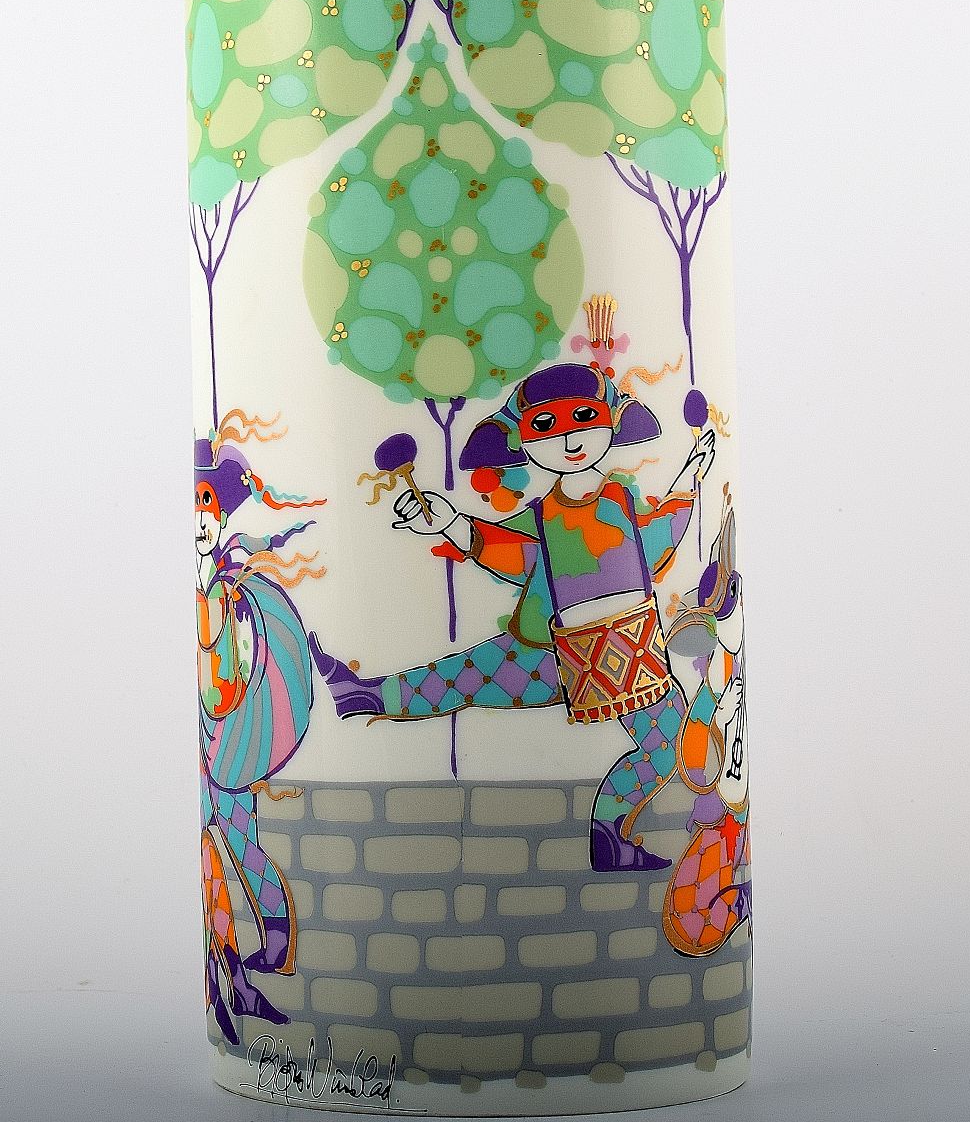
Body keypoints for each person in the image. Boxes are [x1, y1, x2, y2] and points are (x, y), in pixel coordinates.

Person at [311, 362, 715, 872]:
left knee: (667, 743)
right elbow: (513, 553)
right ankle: (367, 695)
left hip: (629, 652)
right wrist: (453, 525)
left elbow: (656, 540)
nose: (569, 438)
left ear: (611, 421)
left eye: (584, 418)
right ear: (524, 441)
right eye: (546, 426)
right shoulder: (543, 516)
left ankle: (608, 836)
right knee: (463, 679)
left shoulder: (620, 499)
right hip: (556, 652)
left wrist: (689, 480)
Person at [195, 438, 317, 1040]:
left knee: (236, 847)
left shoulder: (227, 587)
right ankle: (239, 975)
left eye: (208, 504)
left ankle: (265, 950)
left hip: (225, 740)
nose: (200, 519)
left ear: (222, 515)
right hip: (209, 737)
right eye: (193, 503)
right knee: (222, 852)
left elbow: (226, 661)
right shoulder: (210, 581)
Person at [662, 497, 752, 954]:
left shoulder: (729, 660)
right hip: (721, 807)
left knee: (703, 901)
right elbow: (695, 740)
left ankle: (733, 911)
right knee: (692, 910)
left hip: (733, 806)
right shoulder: (715, 673)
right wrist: (717, 713)